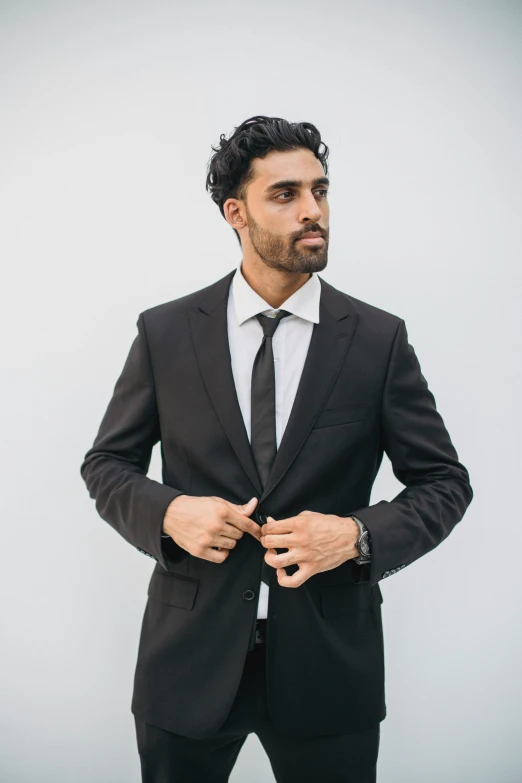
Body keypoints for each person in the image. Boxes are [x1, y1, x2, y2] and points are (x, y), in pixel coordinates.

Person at [80, 115, 473, 783]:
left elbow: (443, 481)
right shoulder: (166, 332)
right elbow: (107, 466)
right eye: (286, 194)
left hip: (329, 666)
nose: (313, 210)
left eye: (320, 191)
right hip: (186, 664)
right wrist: (170, 514)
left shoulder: (377, 340)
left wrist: (355, 535)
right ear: (236, 212)